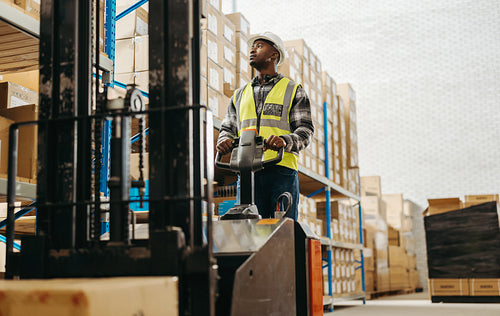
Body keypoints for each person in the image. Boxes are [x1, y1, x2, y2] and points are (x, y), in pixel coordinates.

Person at [216, 31, 314, 220]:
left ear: (274, 54)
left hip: (281, 170)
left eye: (259, 46)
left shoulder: (293, 90)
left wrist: (285, 141)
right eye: (252, 47)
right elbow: (227, 128)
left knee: (282, 231)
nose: (252, 50)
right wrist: (224, 140)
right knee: (247, 230)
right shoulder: (239, 94)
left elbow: (305, 131)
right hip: (246, 173)